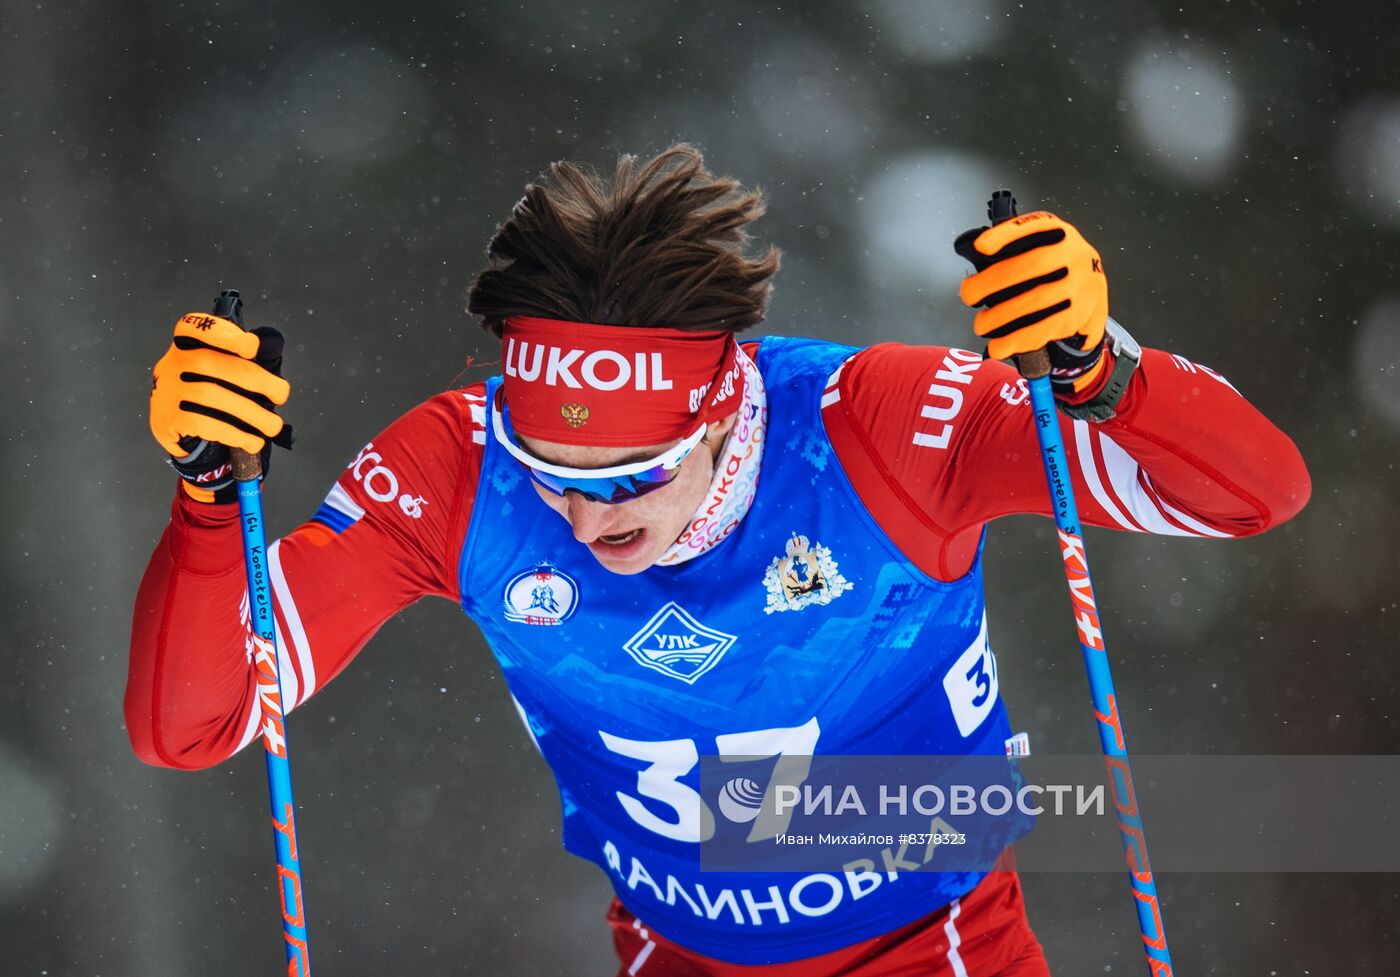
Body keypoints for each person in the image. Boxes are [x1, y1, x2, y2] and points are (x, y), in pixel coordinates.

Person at [127, 144, 1310, 976]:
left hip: (928, 939)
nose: (588, 522)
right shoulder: (456, 471)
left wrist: (1104, 373)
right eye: (553, 475)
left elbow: (1254, 495)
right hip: (676, 951)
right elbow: (192, 723)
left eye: (631, 476)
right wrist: (205, 498)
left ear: (719, 414)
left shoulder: (875, 426)